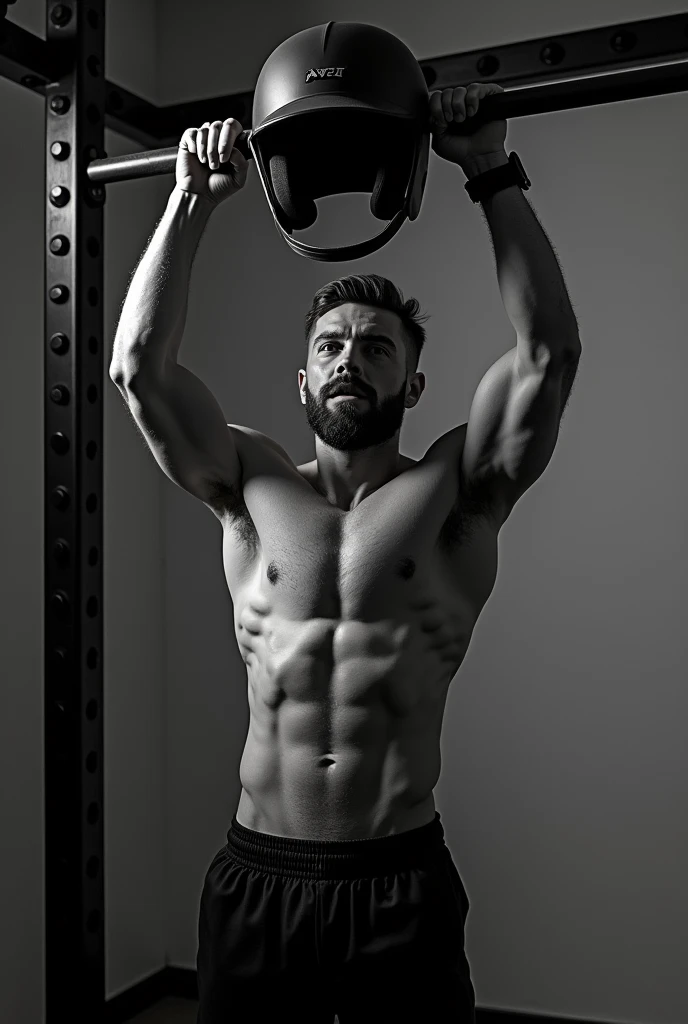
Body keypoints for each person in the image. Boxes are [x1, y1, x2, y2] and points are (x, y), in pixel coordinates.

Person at [109, 84, 582, 1023]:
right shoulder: (248, 483)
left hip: (397, 878)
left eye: (375, 347)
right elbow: (137, 369)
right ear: (302, 379)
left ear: (413, 379)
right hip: (258, 874)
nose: (347, 359)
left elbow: (546, 357)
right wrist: (190, 197)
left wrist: (488, 167)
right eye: (329, 344)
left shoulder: (456, 488)